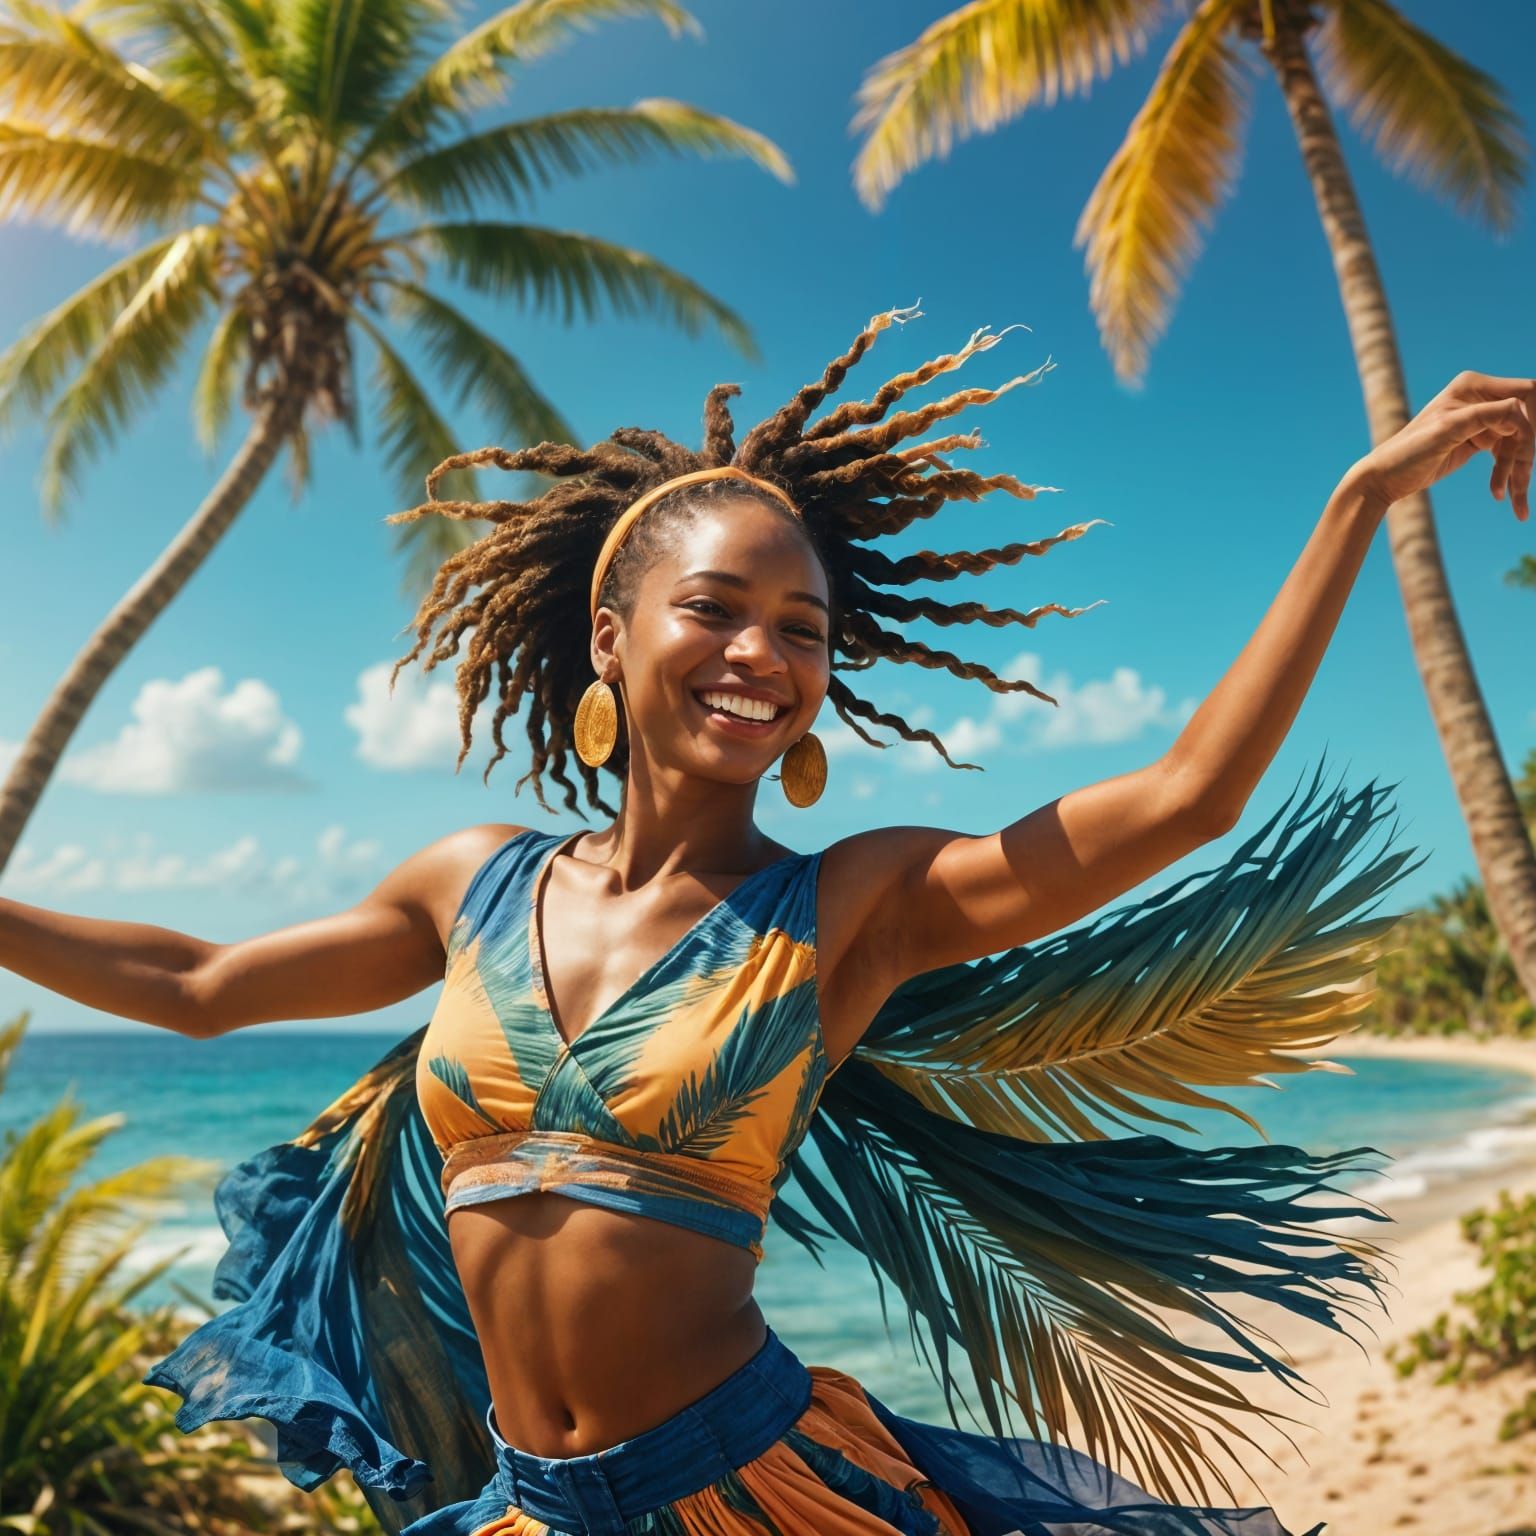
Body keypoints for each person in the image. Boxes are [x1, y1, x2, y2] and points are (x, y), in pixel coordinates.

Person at [6, 307, 1528, 1536]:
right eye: (717, 609)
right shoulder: (468, 882)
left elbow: (1191, 797)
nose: (763, 654)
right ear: (611, 635)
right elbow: (199, 981)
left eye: (802, 631)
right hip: (525, 1511)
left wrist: (1357, 500)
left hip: (754, 1497)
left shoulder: (848, 908)